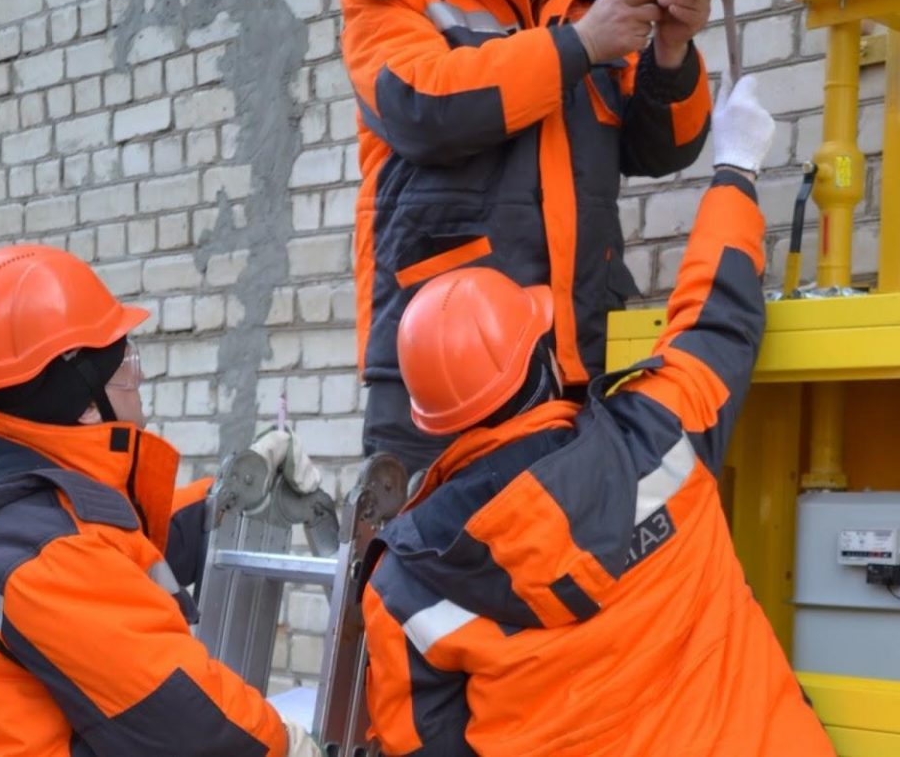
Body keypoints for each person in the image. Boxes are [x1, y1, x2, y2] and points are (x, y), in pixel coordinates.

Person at [358, 76, 836, 756]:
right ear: (543, 361)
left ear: (431, 417)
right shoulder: (659, 431)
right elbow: (717, 318)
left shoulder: (403, 582)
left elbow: (420, 744)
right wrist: (734, 167)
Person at [341, 0, 715, 476]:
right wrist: (576, 47)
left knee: (545, 567)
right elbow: (426, 109)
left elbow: (663, 151)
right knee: (420, 564)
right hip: (438, 363)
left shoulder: (583, 5)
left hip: (570, 357)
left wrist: (671, 50)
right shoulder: (391, 3)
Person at [0, 245, 323, 757]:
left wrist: (227, 497)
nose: (139, 385)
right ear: (87, 408)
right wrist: (284, 742)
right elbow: (186, 721)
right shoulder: (49, 553)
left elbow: (114, 551)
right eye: (127, 367)